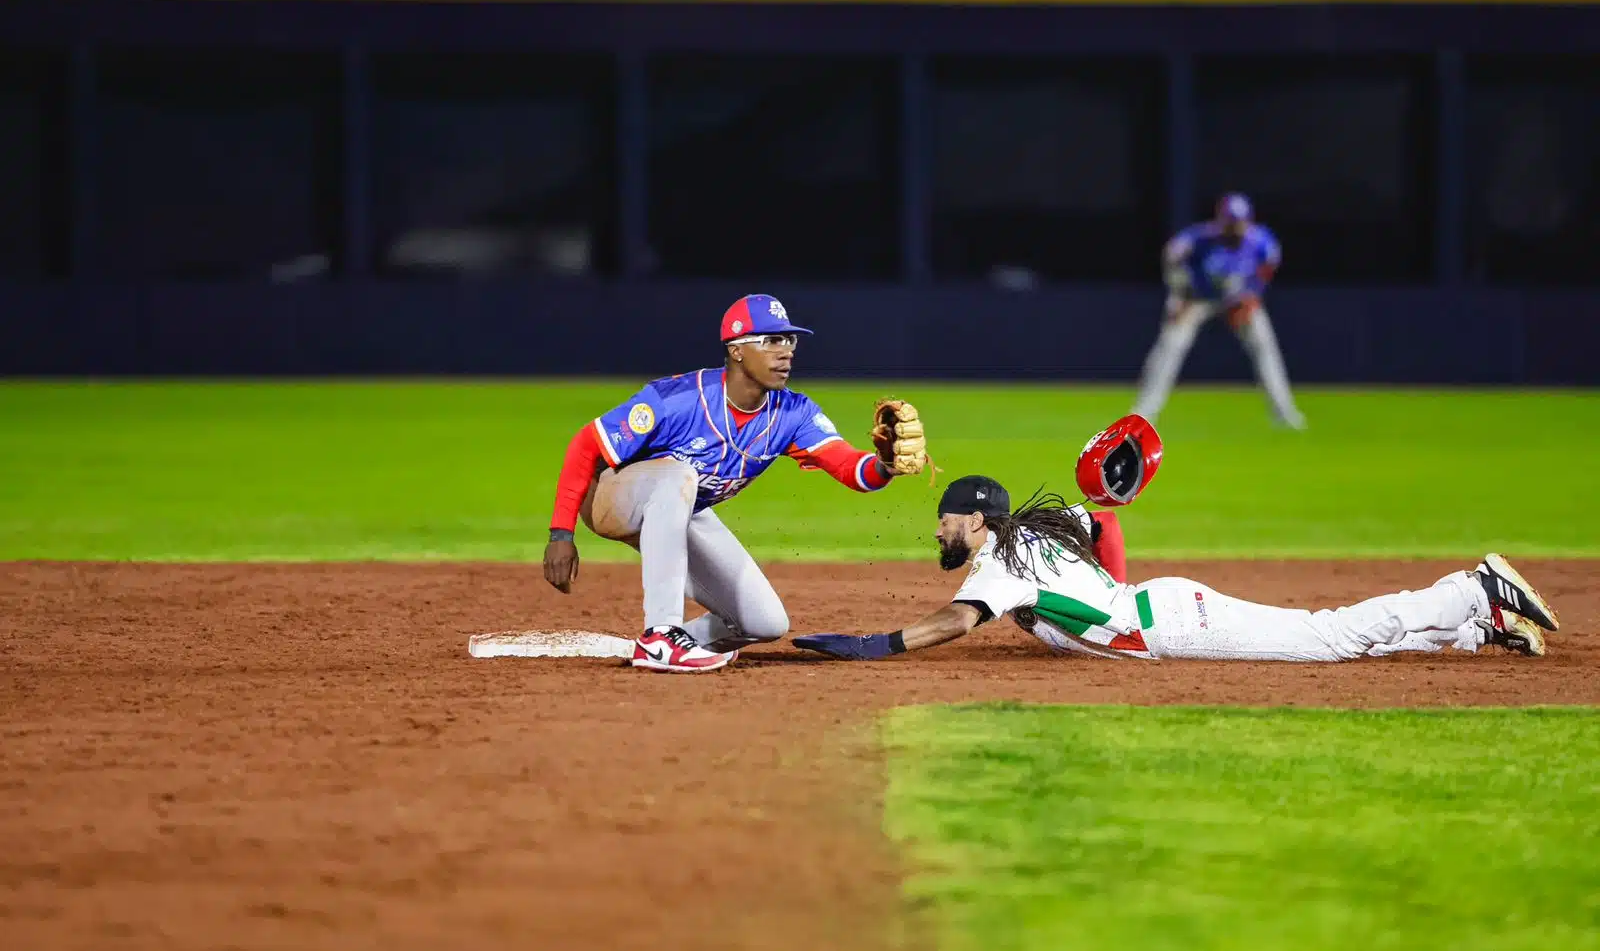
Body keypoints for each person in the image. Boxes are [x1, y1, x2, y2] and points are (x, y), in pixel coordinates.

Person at [791, 418, 1559, 663]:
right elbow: (1103, 526)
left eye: (948, 519)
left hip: (1175, 624)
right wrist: (1110, 586)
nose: (938, 530)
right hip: (1161, 609)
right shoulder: (1037, 536)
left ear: (978, 523)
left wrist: (874, 646)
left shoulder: (1000, 564)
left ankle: (1468, 586)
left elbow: (955, 622)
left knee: (1329, 640)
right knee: (1327, 644)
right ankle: (1472, 630)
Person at [542, 294, 931, 673]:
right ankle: (660, 634)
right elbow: (585, 445)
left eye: (790, 340)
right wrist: (562, 534)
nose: (786, 351)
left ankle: (683, 642)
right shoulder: (676, 399)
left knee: (764, 623)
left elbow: (851, 469)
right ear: (737, 349)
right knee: (680, 475)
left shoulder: (792, 413)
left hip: (678, 506)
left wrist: (884, 463)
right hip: (612, 496)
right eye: (772, 341)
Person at [1133, 193, 1305, 429]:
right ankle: (1144, 412)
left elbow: (1267, 268)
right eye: (1230, 221)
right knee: (1171, 346)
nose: (1235, 227)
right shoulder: (1199, 239)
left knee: (1264, 345)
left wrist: (1253, 295)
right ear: (1220, 219)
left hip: (1238, 299)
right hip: (1196, 298)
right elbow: (1171, 259)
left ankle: (1284, 412)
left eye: (1239, 221)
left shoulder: (1262, 242)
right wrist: (1180, 295)